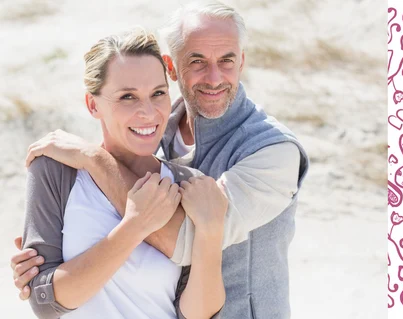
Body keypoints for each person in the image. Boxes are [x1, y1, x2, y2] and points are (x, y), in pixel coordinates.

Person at [11, 1, 310, 318]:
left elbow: (185, 242)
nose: (213, 77)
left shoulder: (272, 151)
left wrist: (95, 160)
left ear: (241, 62)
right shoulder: (155, 137)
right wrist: (41, 278)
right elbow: (43, 295)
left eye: (227, 60)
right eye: (197, 61)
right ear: (172, 66)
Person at [17, 27, 227, 319]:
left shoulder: (186, 185)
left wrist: (211, 231)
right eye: (128, 97)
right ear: (93, 105)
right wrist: (135, 226)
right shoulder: (56, 170)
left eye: (158, 93)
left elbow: (197, 314)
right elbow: (44, 302)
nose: (149, 112)